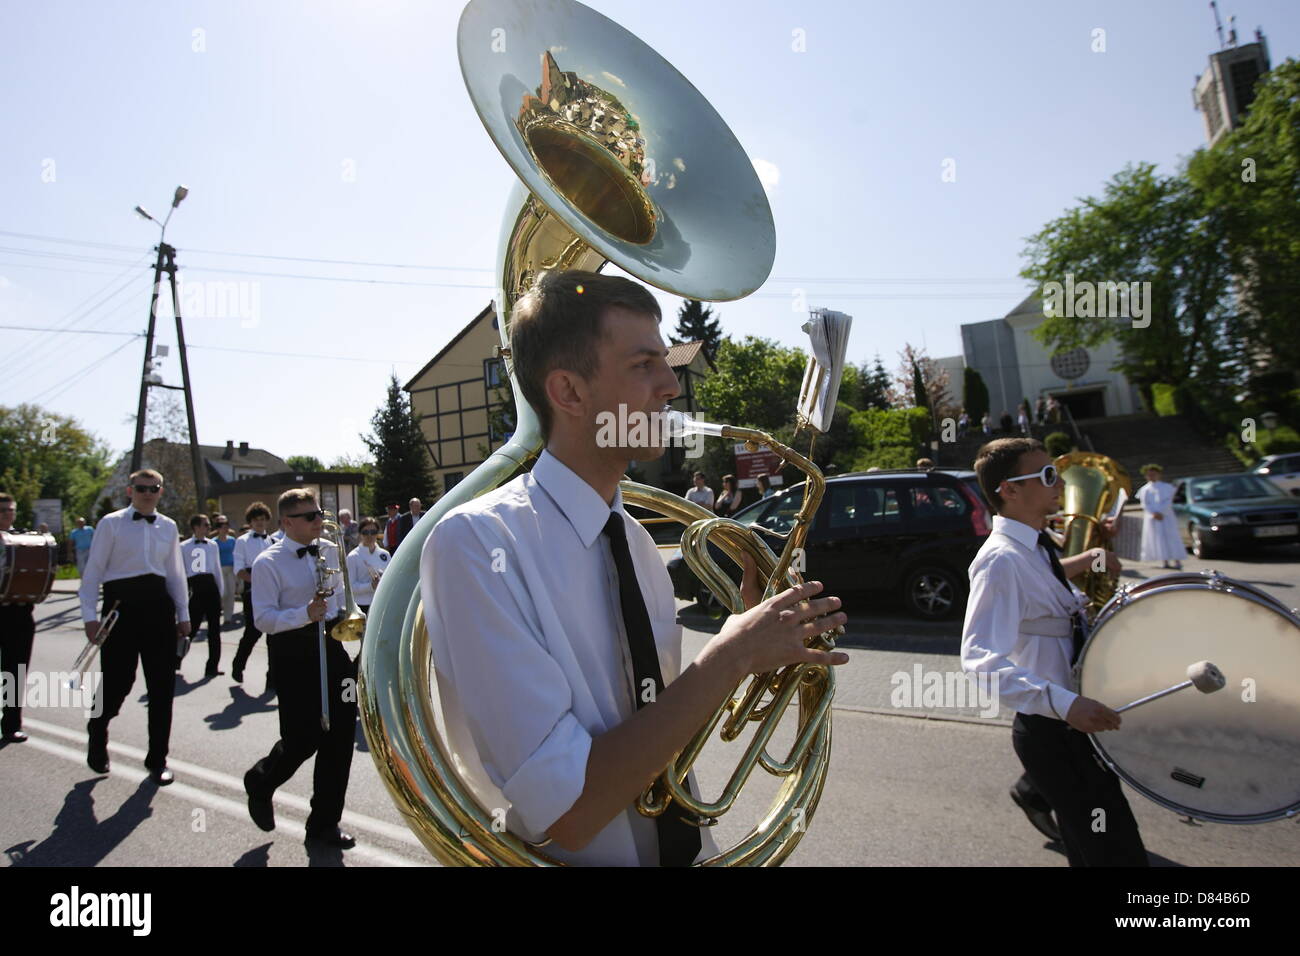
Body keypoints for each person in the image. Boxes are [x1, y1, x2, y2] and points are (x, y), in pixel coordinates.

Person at [421, 270, 849, 866]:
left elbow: (656, 726)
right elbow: (568, 811)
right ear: (569, 393)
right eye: (644, 364)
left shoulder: (636, 543)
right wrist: (733, 655)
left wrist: (748, 643)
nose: (671, 385)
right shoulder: (476, 544)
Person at [962, 438, 1146, 866]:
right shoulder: (999, 562)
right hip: (1055, 730)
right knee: (1111, 851)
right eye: (1047, 475)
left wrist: (1093, 559)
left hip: (1070, 723)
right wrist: (1065, 704)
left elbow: (1043, 582)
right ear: (1009, 490)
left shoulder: (1035, 545)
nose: (1058, 482)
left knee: (1101, 847)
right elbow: (979, 659)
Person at [243, 489, 357, 849]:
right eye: (310, 516)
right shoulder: (267, 563)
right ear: (287, 522)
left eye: (319, 513)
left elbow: (338, 599)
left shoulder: (327, 549)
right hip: (292, 652)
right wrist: (303, 614)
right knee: (303, 738)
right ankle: (261, 781)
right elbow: (263, 619)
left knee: (340, 740)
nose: (318, 521)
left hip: (331, 647)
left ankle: (323, 823)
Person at [78, 469, 191, 785]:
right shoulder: (111, 523)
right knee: (117, 684)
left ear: (160, 491)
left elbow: (175, 574)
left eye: (153, 488)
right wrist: (90, 617)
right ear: (130, 491)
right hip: (120, 610)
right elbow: (93, 573)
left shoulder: (168, 527)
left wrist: (183, 615)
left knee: (161, 688)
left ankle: (158, 759)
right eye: (141, 488)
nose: (147, 493)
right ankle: (97, 730)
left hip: (158, 610)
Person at [0, 493, 36, 743]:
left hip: (20, 611)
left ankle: (12, 724)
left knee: (15, 670)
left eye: (10, 510)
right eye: (2, 511)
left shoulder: (24, 540)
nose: (7, 515)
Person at [232, 502, 277, 693]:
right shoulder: (242, 541)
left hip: (273, 589)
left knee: (274, 635)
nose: (260, 523)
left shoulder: (274, 541)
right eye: (256, 520)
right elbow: (239, 570)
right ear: (250, 522)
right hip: (252, 588)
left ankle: (272, 679)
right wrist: (257, 581)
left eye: (263, 519)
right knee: (252, 632)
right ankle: (238, 665)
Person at [179, 514, 225, 677]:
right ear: (196, 527)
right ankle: (176, 659)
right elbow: (181, 571)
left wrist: (220, 593)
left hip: (210, 586)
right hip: (195, 587)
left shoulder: (212, 545)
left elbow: (217, 569)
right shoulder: (184, 546)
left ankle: (212, 666)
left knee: (214, 630)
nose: (208, 527)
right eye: (205, 525)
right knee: (191, 628)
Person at [1136, 464, 1185, 570]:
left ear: (1159, 475)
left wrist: (1161, 512)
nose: (1152, 476)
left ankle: (1177, 560)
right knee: (1158, 538)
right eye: (1149, 475)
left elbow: (1169, 501)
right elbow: (1144, 504)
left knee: (1171, 537)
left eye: (1154, 474)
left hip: (1166, 516)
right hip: (1153, 518)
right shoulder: (1144, 490)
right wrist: (1153, 513)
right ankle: (1164, 560)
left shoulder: (1167, 487)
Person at [346, 517, 388, 619]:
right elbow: (350, 587)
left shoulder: (385, 554)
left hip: (381, 603)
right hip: (361, 607)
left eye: (373, 532)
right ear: (360, 534)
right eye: (365, 532)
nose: (369, 535)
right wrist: (370, 586)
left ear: (377, 534)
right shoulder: (353, 556)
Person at [212, 514, 238, 623]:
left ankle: (228, 617)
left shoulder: (232, 540)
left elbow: (236, 554)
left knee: (231, 592)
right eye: (223, 526)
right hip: (220, 569)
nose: (226, 528)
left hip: (231, 568)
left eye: (227, 526)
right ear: (218, 528)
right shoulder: (214, 542)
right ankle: (219, 610)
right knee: (224, 593)